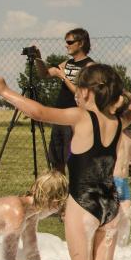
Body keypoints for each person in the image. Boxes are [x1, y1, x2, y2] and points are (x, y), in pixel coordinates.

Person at [0, 64, 131, 260]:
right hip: (111, 203)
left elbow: (39, 112)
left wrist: (4, 91)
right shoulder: (117, 122)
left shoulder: (81, 117)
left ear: (86, 92)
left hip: (82, 203)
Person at [41, 28, 95, 173]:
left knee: (72, 160)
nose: (66, 45)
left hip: (74, 118)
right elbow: (44, 74)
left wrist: (63, 77)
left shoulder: (90, 66)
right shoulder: (67, 63)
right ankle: (59, 186)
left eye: (70, 42)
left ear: (81, 43)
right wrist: (38, 59)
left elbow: (80, 93)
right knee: (56, 160)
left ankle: (74, 186)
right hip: (59, 117)